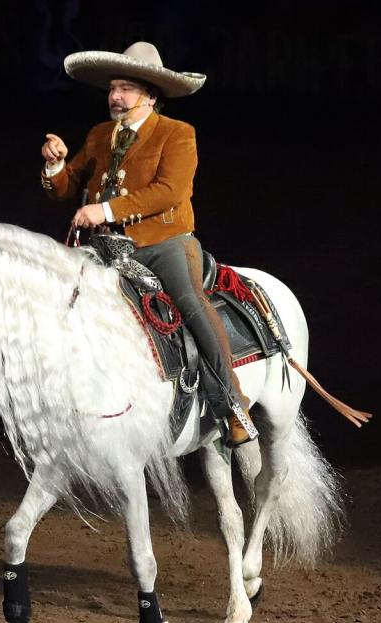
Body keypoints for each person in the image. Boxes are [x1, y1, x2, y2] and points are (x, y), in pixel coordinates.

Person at [39, 41, 257, 446]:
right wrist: (55, 165)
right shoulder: (100, 135)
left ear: (151, 96)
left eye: (126, 89)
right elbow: (67, 186)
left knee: (190, 301)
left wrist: (105, 211)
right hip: (107, 249)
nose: (115, 96)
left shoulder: (177, 134)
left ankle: (233, 404)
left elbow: (169, 191)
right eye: (112, 88)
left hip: (164, 242)